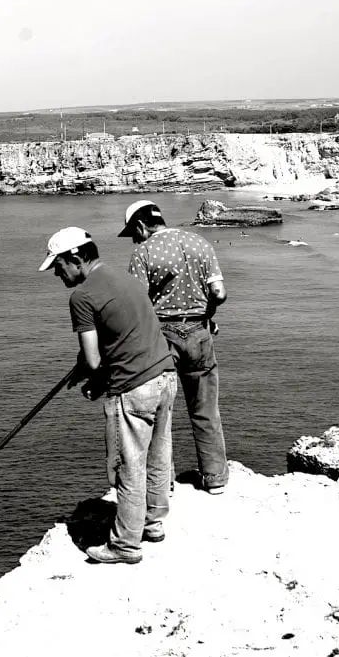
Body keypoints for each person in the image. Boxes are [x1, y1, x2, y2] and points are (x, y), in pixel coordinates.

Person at [39, 226, 177, 564]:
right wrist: (89, 372)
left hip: (133, 387)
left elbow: (93, 359)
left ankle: (125, 546)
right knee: (159, 454)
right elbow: (122, 333)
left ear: (76, 258)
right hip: (165, 376)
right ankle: (153, 522)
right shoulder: (125, 278)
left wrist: (93, 380)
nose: (57, 273)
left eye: (59, 266)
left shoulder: (82, 297)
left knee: (128, 465)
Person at [118, 201, 229, 494]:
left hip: (162, 336)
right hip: (199, 333)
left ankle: (162, 484)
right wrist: (208, 315)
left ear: (141, 226)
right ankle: (215, 477)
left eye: (132, 232)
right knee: (205, 408)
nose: (133, 239)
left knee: (159, 412)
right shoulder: (200, 242)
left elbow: (138, 305)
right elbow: (219, 292)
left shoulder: (143, 252)